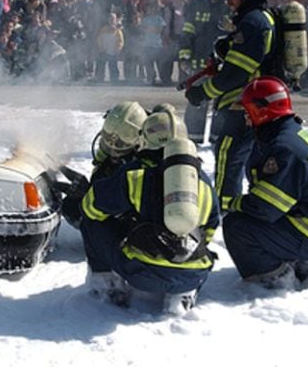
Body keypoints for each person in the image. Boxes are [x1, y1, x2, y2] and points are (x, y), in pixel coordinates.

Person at [79, 107, 219, 314]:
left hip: (143, 274)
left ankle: (107, 287)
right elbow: (211, 226)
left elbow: (91, 208)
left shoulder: (135, 173)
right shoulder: (202, 180)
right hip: (194, 273)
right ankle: (183, 294)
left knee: (92, 223)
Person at [223, 76, 308, 288]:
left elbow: (265, 208)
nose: (245, 118)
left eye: (248, 111)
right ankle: (299, 259)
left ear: (263, 110)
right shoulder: (286, 136)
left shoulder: (284, 149)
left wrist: (230, 203)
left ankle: (275, 278)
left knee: (237, 226)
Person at [184, 0, 276, 211]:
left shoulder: (253, 22)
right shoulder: (254, 18)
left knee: (229, 156)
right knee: (246, 158)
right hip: (255, 105)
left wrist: (201, 92)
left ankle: (224, 211)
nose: (228, 3)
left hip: (244, 105)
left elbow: (235, 75)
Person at [178, 0, 232, 142]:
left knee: (223, 104)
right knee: (196, 103)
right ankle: (193, 140)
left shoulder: (233, 5)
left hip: (225, 66)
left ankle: (218, 140)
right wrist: (184, 56)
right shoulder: (198, 2)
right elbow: (187, 31)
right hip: (200, 63)